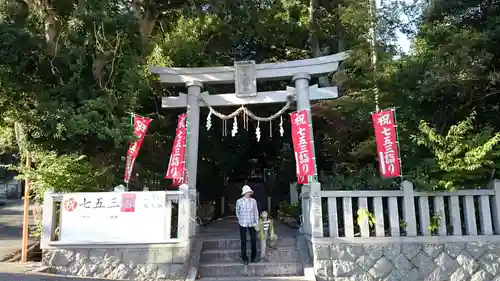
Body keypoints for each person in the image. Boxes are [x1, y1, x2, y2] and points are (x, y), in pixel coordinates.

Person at [236, 185, 259, 265]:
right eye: (247, 192)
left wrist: (257, 222)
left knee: (253, 240)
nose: (249, 193)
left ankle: (253, 257)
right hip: (243, 223)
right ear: (244, 193)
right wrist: (240, 219)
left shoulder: (253, 201)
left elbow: (256, 212)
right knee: (243, 241)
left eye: (249, 192)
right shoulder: (239, 201)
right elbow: (237, 212)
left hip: (252, 223)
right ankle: (244, 258)